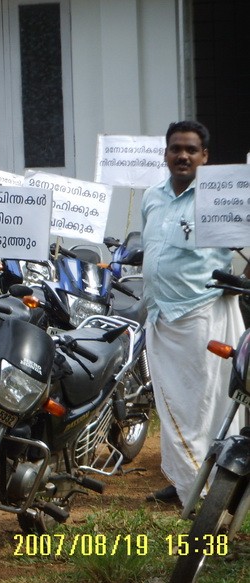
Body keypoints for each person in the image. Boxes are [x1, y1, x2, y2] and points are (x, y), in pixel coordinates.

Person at [142, 120, 245, 506]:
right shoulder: (152, 197)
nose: (182, 155)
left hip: (201, 312)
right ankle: (184, 478)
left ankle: (210, 487)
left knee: (203, 404)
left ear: (205, 156)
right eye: (175, 148)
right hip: (160, 317)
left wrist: (242, 279)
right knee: (173, 404)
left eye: (190, 150)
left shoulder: (221, 197)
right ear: (166, 154)